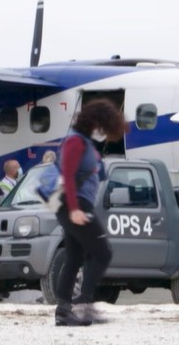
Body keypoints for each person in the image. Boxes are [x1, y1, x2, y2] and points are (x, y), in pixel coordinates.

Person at [52, 100, 128, 327]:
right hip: (73, 205)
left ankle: (64, 310)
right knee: (103, 253)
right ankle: (85, 304)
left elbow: (99, 174)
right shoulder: (74, 141)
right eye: (102, 125)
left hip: (78, 204)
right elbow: (67, 174)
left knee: (75, 257)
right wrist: (75, 209)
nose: (103, 131)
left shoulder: (87, 144)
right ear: (94, 122)